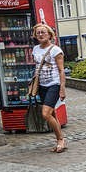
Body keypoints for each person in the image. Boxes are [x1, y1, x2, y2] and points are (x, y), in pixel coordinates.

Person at [31, 23, 67, 153]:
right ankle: (60, 139)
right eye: (38, 33)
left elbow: (61, 70)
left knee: (45, 114)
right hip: (42, 85)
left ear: (49, 35)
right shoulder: (35, 49)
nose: (40, 35)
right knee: (52, 113)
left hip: (54, 84)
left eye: (43, 32)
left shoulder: (56, 50)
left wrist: (62, 88)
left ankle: (60, 140)